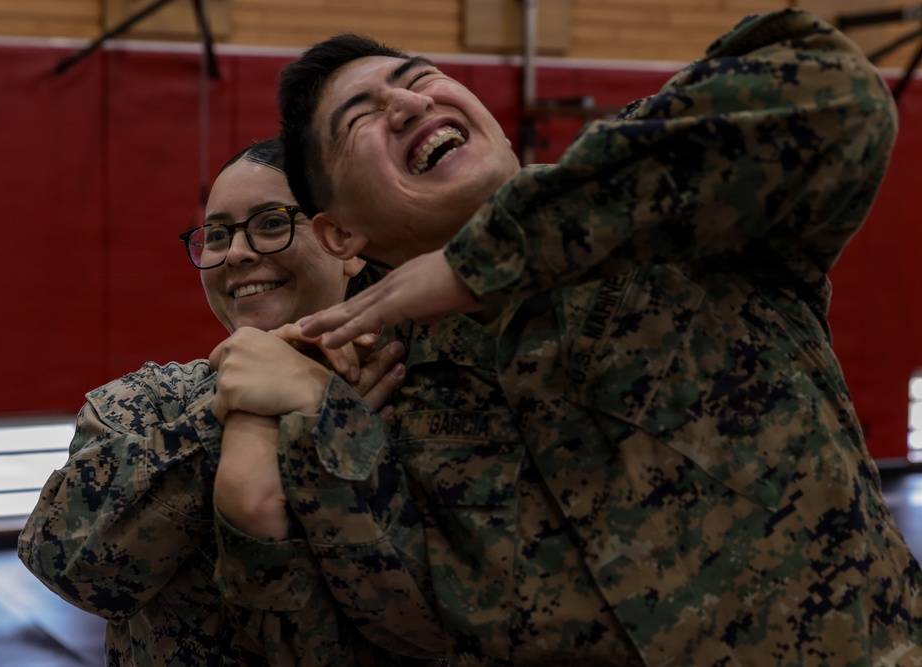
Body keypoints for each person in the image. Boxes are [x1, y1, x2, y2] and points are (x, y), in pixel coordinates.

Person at [212, 8, 922, 665]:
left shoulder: (667, 216)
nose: (408, 104)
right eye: (358, 118)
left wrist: (479, 261)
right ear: (341, 234)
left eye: (419, 77)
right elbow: (384, 626)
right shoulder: (379, 387)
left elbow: (843, 95)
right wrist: (314, 424)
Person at [17, 138, 435, 666]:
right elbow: (74, 569)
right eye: (216, 234)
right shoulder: (149, 404)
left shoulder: (415, 398)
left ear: (346, 243)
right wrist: (231, 418)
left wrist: (331, 414)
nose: (235, 251)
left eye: (270, 223)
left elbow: (451, 615)